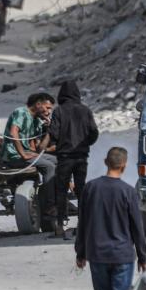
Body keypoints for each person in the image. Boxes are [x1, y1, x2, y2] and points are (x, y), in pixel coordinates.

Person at [74, 147, 146, 290]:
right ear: (124, 165)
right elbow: (137, 229)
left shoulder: (90, 188)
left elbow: (82, 223)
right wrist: (143, 257)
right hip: (122, 256)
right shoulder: (128, 192)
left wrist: (80, 253)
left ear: (106, 162)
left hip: (96, 255)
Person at [44, 79, 99, 238]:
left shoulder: (59, 111)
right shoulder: (85, 110)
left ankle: (60, 225)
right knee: (81, 189)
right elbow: (94, 132)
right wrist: (85, 144)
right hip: (81, 157)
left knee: (61, 190)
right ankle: (82, 224)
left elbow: (53, 133)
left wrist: (57, 142)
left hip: (64, 157)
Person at [2, 93, 57, 191]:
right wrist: (23, 154)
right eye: (47, 108)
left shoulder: (37, 121)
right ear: (38, 104)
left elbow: (39, 149)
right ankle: (49, 202)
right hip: (14, 155)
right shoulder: (21, 112)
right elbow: (13, 133)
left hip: (27, 154)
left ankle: (54, 193)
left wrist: (49, 130)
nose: (49, 112)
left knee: (59, 161)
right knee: (49, 166)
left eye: (50, 109)